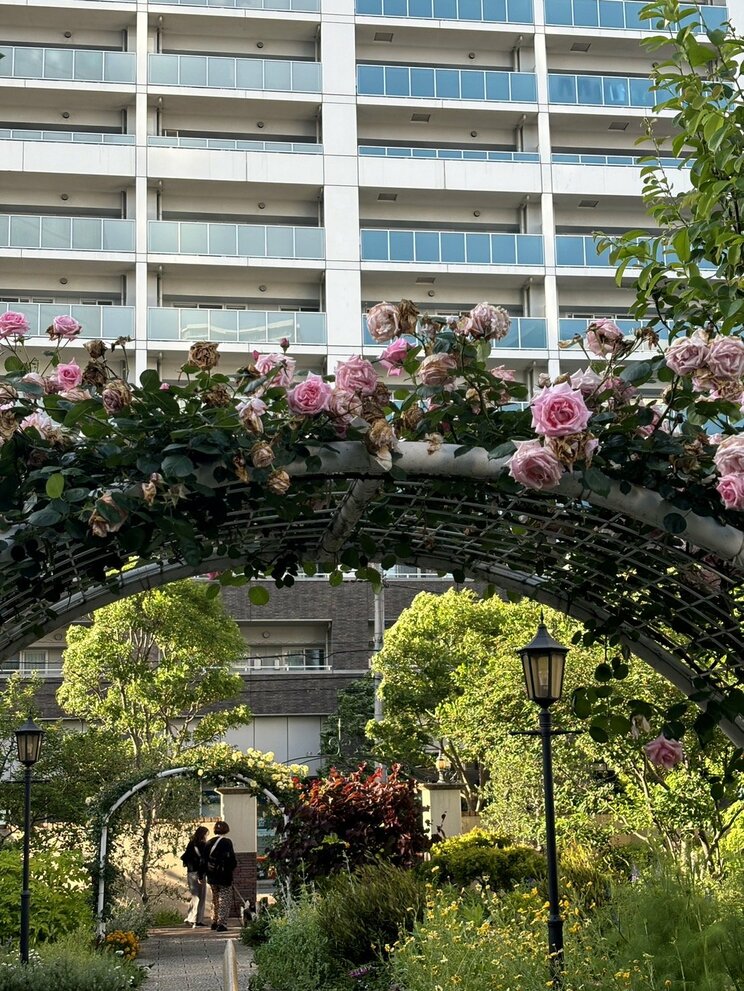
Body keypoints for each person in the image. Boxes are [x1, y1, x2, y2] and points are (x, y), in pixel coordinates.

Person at [204, 820, 237, 932]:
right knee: (224, 899)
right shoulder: (227, 842)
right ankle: (221, 923)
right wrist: (231, 868)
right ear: (226, 829)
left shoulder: (209, 843)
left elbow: (204, 860)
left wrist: (202, 875)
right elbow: (231, 860)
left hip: (212, 876)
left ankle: (214, 921)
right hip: (224, 876)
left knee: (215, 899)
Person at [181, 825, 209, 927]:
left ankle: (193, 918)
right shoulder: (203, 845)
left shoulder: (191, 844)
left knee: (194, 895)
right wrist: (202, 875)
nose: (207, 836)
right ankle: (196, 919)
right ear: (203, 835)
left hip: (190, 873)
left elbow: (185, 858)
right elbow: (203, 861)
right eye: (206, 834)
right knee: (200, 897)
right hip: (199, 873)